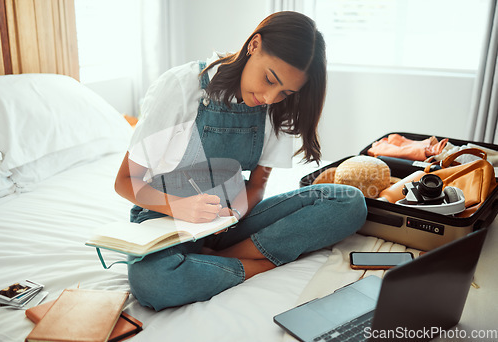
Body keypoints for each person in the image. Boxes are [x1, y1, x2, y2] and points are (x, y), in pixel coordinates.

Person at [114, 11, 367, 311]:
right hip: (166, 219)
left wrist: (235, 211)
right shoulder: (183, 87)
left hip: (229, 221)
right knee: (153, 282)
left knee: (348, 202)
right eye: (269, 79)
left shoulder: (276, 108)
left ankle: (219, 259)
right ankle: (257, 265)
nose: (271, 97)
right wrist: (179, 207)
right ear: (254, 45)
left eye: (285, 91)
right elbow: (125, 182)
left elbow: (258, 184)